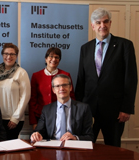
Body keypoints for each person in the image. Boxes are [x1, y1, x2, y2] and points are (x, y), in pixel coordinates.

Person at [75, 8, 138, 147]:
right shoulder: (85, 48)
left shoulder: (124, 46)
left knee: (113, 147)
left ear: (110, 23)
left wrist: (126, 108)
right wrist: (78, 108)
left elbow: (131, 79)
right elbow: (81, 79)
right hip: (88, 110)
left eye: (105, 22)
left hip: (115, 111)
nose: (102, 25)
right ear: (93, 26)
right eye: (98, 22)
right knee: (85, 147)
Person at [31, 74, 93, 142]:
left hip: (73, 146)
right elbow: (39, 131)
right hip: (52, 147)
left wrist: (75, 138)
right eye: (57, 86)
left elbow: (89, 136)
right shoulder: (46, 110)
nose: (61, 88)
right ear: (53, 90)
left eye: (65, 85)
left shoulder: (83, 108)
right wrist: (36, 135)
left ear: (71, 87)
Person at [0, 43, 31, 140]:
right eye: (6, 53)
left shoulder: (21, 73)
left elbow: (25, 96)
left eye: (12, 54)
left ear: (16, 56)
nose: (9, 57)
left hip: (12, 120)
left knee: (10, 149)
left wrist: (15, 118)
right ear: (2, 54)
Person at [29, 47, 75, 130]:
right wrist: (34, 122)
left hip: (61, 117)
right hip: (40, 117)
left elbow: (71, 97)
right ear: (46, 59)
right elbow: (33, 99)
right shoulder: (36, 76)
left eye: (57, 57)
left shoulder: (65, 75)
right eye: (51, 56)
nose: (54, 59)